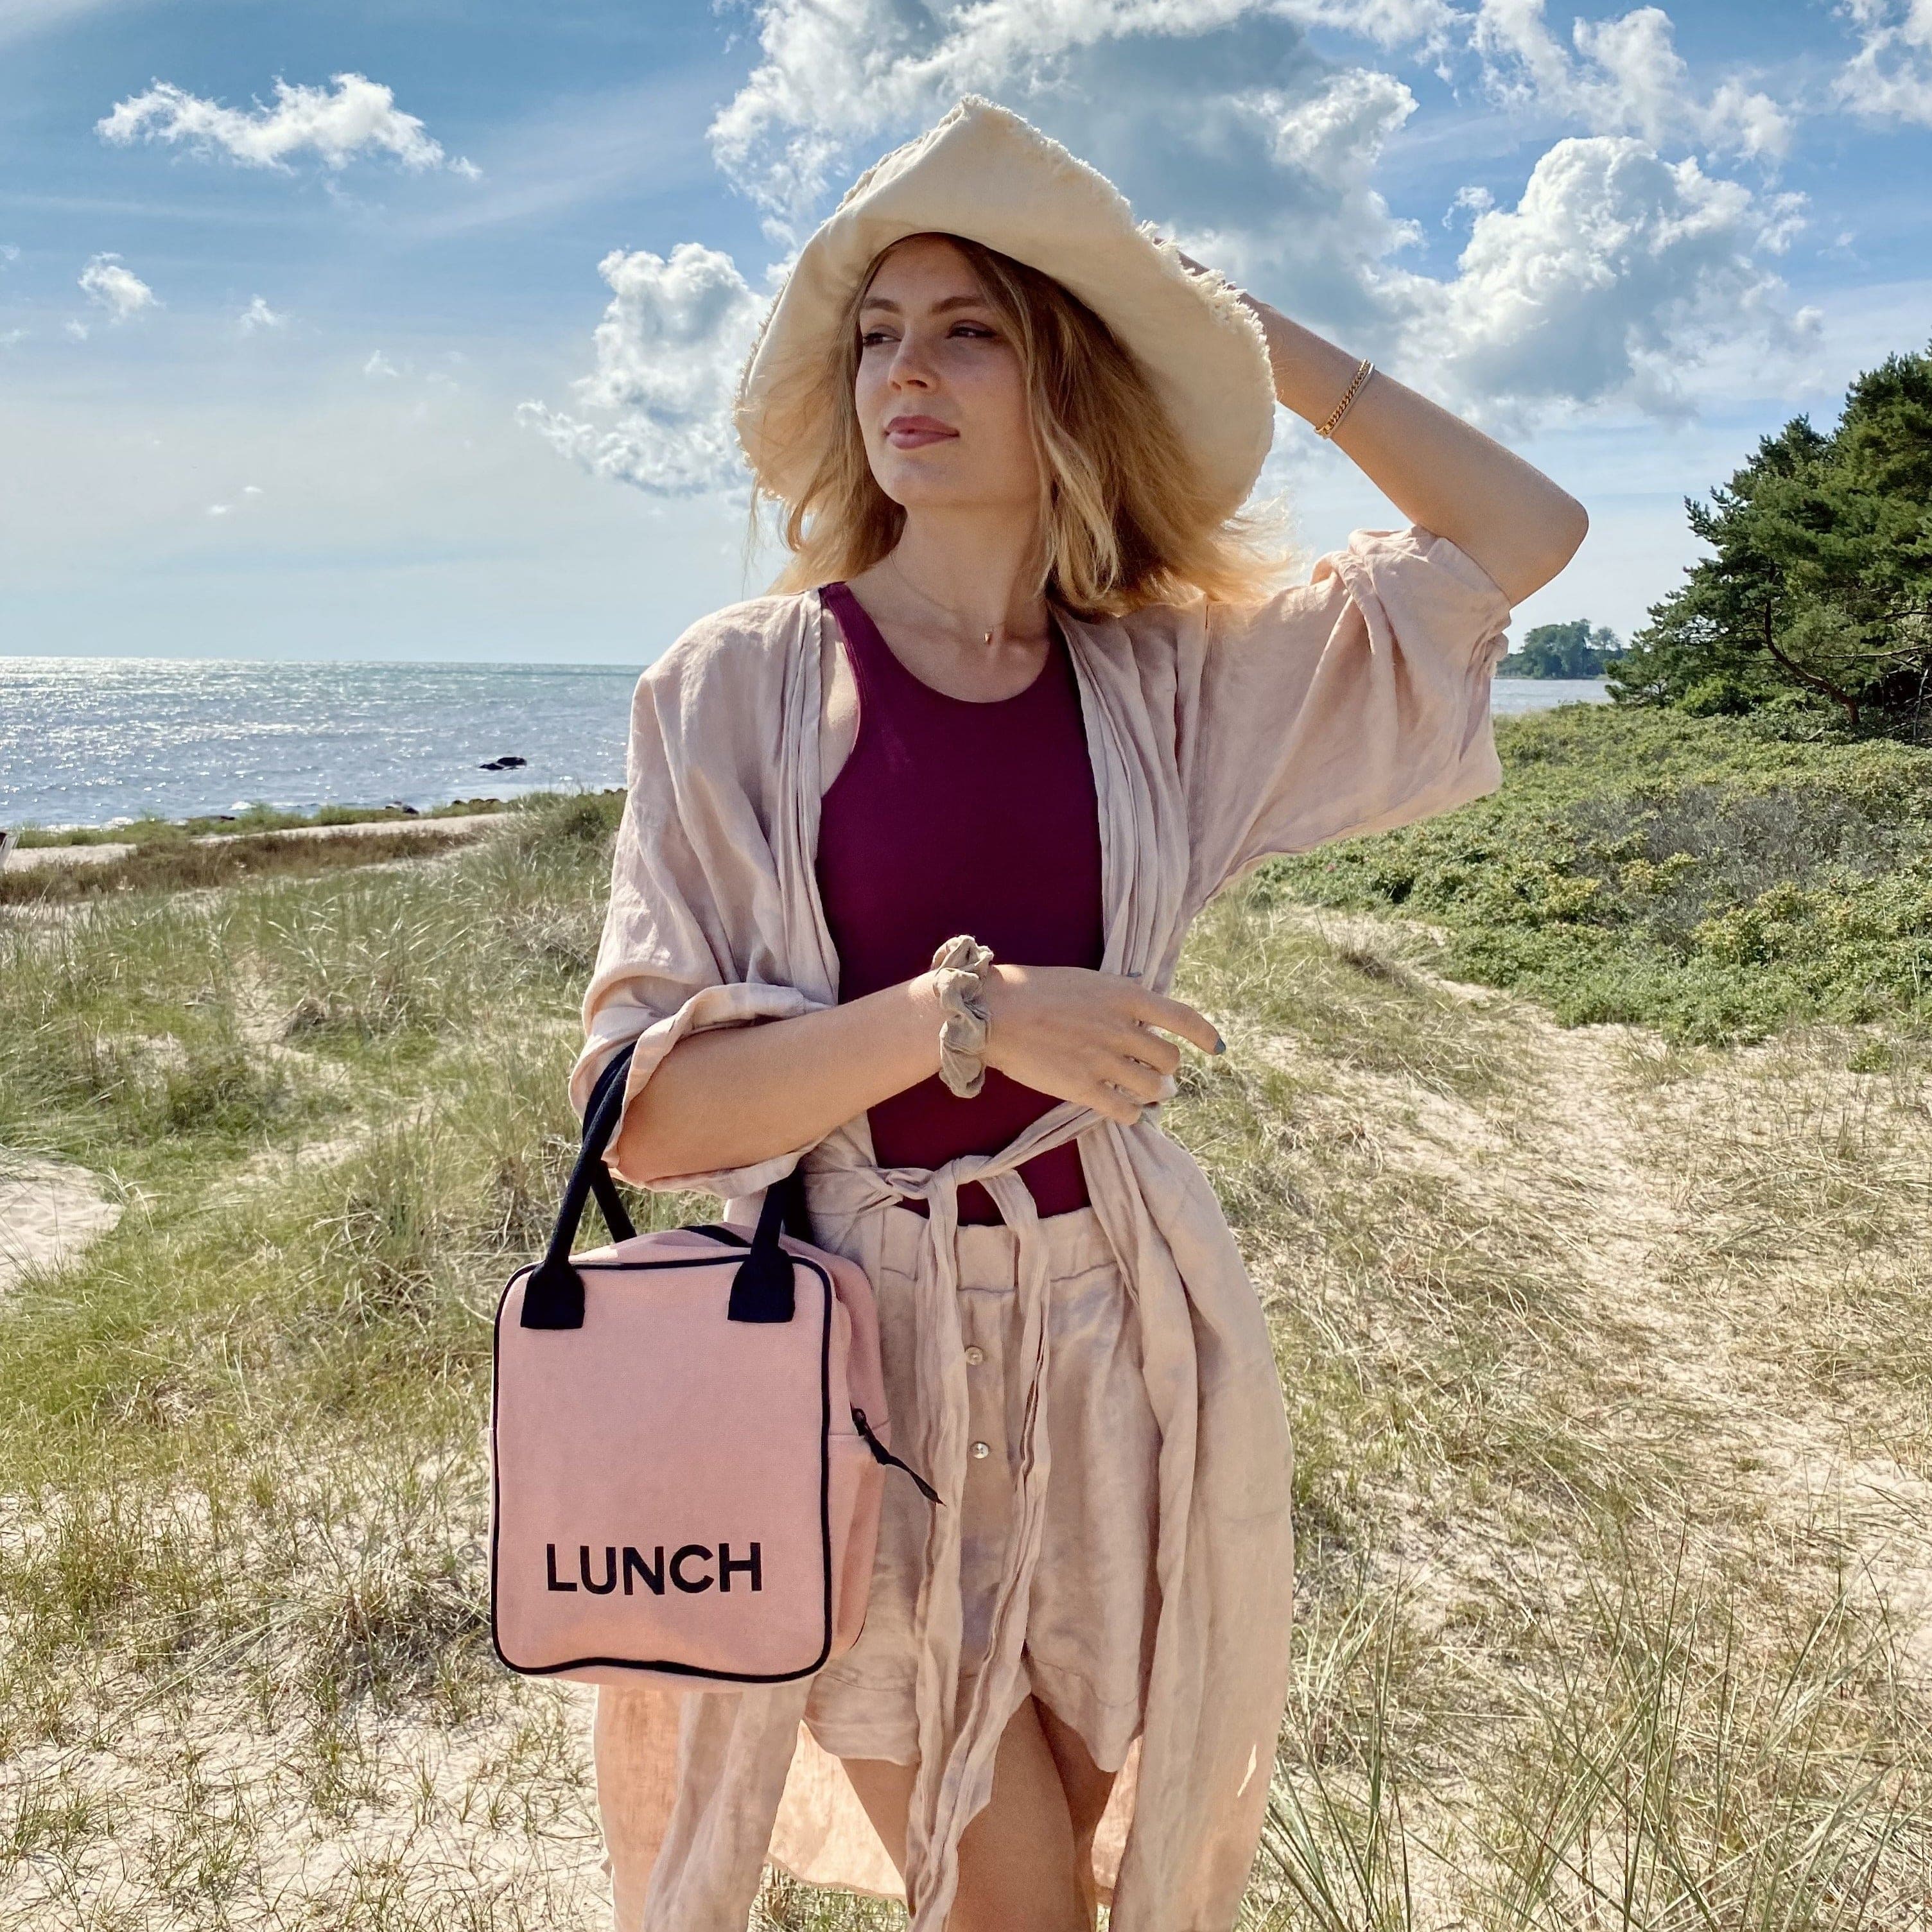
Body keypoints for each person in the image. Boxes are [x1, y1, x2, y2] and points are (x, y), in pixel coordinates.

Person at [568, 97, 1585, 1932]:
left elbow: (1520, 531)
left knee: (1124, 1863)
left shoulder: (1165, 685)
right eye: (879, 333)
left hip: (1124, 1336)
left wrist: (1263, 349)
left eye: (971, 331)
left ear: (1069, 386)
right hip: (855, 1358)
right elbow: (649, 1120)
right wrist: (963, 1014)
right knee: (1010, 1900)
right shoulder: (733, 688)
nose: (908, 371)